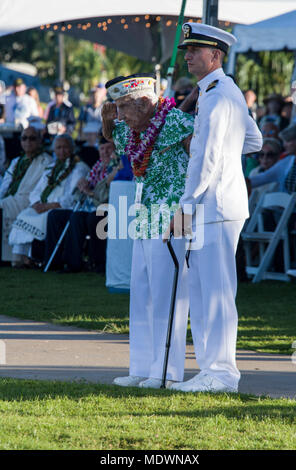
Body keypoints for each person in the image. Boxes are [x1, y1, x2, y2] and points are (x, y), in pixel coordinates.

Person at [163, 22, 262, 393]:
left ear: (215, 55)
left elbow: (205, 159)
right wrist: (225, 153)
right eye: (187, 50)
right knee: (206, 292)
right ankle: (211, 371)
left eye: (194, 51)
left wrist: (184, 207)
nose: (187, 56)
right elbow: (253, 140)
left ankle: (221, 374)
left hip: (214, 206)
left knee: (216, 294)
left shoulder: (219, 95)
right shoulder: (223, 91)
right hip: (217, 203)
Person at [102, 73, 194, 389]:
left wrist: (189, 207)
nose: (121, 117)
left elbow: (203, 160)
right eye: (117, 109)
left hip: (172, 218)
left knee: (167, 297)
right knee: (140, 295)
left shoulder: (178, 121)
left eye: (124, 108)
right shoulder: (133, 128)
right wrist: (106, 119)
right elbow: (111, 135)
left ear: (144, 102)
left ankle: (166, 372)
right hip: (142, 217)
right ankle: (141, 367)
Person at [8, 134, 89, 266]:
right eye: (58, 148)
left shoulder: (79, 167)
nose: (62, 151)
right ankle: (24, 258)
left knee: (45, 218)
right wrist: (36, 204)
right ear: (54, 150)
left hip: (61, 207)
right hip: (42, 206)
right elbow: (36, 191)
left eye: (65, 147)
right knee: (24, 215)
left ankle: (36, 257)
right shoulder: (51, 167)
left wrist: (50, 205)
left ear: (72, 149)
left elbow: (72, 196)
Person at [43, 137, 118, 273]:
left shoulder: (116, 167)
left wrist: (90, 193)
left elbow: (106, 196)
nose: (105, 152)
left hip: (106, 207)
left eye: (109, 148)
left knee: (86, 218)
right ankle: (54, 262)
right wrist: (81, 185)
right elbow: (78, 194)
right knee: (55, 215)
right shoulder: (98, 166)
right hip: (88, 206)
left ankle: (93, 263)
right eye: (102, 148)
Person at [0, 126, 51, 264]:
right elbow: (5, 185)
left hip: (28, 200)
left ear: (40, 141)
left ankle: (10, 258)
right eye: (24, 138)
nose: (28, 141)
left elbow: (40, 189)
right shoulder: (17, 161)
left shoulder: (45, 161)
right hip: (13, 198)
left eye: (32, 138)